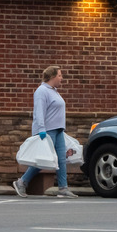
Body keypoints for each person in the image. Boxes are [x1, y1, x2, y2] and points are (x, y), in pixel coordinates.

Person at [13, 65, 78, 198]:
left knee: (61, 160)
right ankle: (21, 182)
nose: (62, 78)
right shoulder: (42, 91)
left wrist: (61, 128)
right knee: (43, 160)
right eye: (60, 75)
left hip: (58, 130)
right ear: (53, 77)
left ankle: (63, 188)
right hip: (47, 131)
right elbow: (39, 112)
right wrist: (41, 129)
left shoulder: (54, 91)